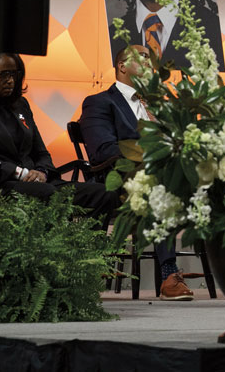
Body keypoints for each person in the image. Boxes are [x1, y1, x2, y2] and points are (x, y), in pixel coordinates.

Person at [79, 45, 194, 300]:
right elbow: (103, 151)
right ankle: (169, 274)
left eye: (150, 58)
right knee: (159, 183)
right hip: (122, 179)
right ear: (121, 66)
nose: (149, 62)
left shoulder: (160, 106)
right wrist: (152, 154)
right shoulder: (100, 102)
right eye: (141, 57)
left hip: (170, 176)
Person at [0, 53, 117, 222]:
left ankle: (85, 239)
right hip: (0, 185)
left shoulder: (20, 104)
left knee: (104, 194)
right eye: (3, 74)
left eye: (14, 74)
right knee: (46, 193)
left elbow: (41, 153)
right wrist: (18, 172)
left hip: (38, 183)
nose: (10, 80)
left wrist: (42, 172)